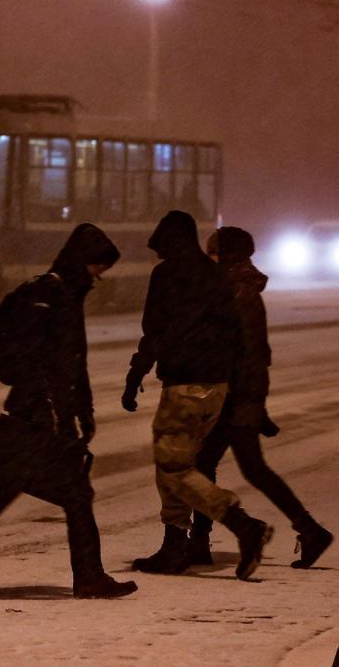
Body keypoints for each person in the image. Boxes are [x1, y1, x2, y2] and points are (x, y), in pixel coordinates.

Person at [0, 223, 138, 599]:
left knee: (21, 491)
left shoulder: (66, 295)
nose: (99, 276)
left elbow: (73, 362)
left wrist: (83, 409)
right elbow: (38, 357)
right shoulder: (50, 295)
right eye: (97, 267)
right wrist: (53, 405)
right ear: (82, 261)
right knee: (50, 492)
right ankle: (86, 575)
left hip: (47, 410)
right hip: (37, 413)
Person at [122, 210, 272, 580]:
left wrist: (136, 373)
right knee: (177, 465)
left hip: (184, 384)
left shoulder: (167, 274)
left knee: (174, 467)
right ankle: (175, 544)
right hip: (216, 387)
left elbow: (154, 330)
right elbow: (235, 332)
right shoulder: (215, 273)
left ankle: (242, 525)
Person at [188, 227, 332, 568]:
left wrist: (235, 395)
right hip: (243, 393)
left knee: (216, 467)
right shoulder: (240, 287)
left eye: (213, 253)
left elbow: (242, 350)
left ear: (225, 255)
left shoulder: (235, 290)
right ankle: (307, 530)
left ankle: (304, 530)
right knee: (226, 466)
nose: (209, 259)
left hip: (235, 395)